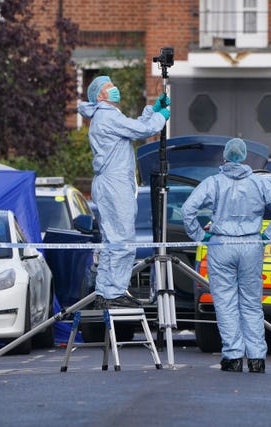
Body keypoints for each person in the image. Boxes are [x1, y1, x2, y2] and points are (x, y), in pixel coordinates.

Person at [181, 138, 271, 373]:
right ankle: (257, 358)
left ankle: (232, 356)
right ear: (244, 157)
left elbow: (188, 209)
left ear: (224, 156)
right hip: (251, 244)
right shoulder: (259, 183)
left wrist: (201, 236)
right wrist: (268, 235)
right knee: (251, 304)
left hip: (221, 245)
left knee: (225, 303)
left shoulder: (213, 183)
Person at [78, 75, 170, 308]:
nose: (114, 89)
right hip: (115, 184)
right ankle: (115, 292)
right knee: (123, 240)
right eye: (110, 86)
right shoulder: (107, 116)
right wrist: (161, 116)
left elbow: (133, 127)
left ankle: (105, 292)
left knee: (112, 241)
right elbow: (142, 130)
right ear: (100, 95)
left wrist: (152, 109)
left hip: (109, 183)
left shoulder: (106, 116)